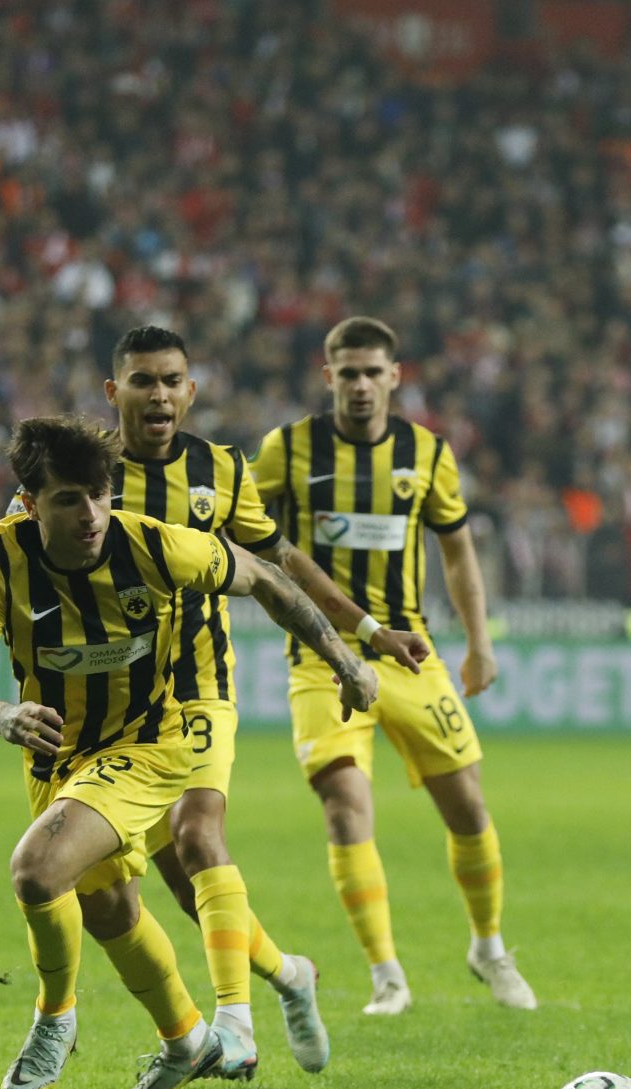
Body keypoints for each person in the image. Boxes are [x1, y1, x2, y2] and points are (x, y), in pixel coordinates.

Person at [29, 325, 437, 1072]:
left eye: (172, 380)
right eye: (143, 381)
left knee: (197, 832)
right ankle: (289, 974)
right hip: (111, 716)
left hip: (198, 691)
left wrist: (359, 639)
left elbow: (282, 569)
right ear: (113, 393)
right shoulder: (85, 476)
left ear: (191, 391)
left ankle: (234, 1027)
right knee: (189, 889)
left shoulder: (221, 470)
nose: (158, 394)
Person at [0, 417, 378, 1089]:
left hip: (154, 742)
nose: (89, 514)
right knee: (110, 909)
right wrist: (1, 713)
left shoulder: (154, 545)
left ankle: (55, 1018)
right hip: (62, 759)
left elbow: (267, 578)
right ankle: (191, 1036)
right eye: (66, 500)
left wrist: (345, 661)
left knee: (37, 869)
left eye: (97, 494)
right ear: (29, 503)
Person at [249, 316, 534, 1016]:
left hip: (412, 654)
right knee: (346, 808)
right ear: (328, 378)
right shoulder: (287, 450)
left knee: (467, 803)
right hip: (323, 655)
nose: (361, 384)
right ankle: (387, 974)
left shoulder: (427, 453)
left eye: (373, 371)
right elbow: (249, 528)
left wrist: (479, 641)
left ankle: (488, 947)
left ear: (395, 376)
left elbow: (458, 552)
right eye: (347, 372)